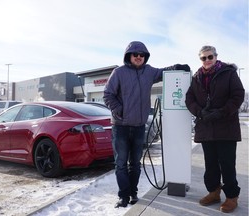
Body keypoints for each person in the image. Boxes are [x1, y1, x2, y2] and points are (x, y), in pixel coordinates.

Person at [103, 41, 190, 208]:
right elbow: (107, 94)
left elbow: (165, 72)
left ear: (145, 57)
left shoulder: (149, 72)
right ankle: (123, 196)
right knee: (120, 163)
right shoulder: (119, 72)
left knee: (135, 163)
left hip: (139, 127)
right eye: (135, 54)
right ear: (129, 56)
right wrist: (118, 109)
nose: (138, 57)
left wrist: (178, 66)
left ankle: (133, 193)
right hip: (120, 126)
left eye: (141, 55)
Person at [185, 45, 245, 213]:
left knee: (227, 164)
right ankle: (214, 192)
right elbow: (189, 98)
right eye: (203, 58)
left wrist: (222, 112)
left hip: (226, 127)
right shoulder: (197, 77)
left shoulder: (229, 73)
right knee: (210, 164)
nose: (207, 60)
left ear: (216, 57)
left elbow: (238, 95)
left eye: (210, 57)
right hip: (206, 128)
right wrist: (199, 112)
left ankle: (232, 197)